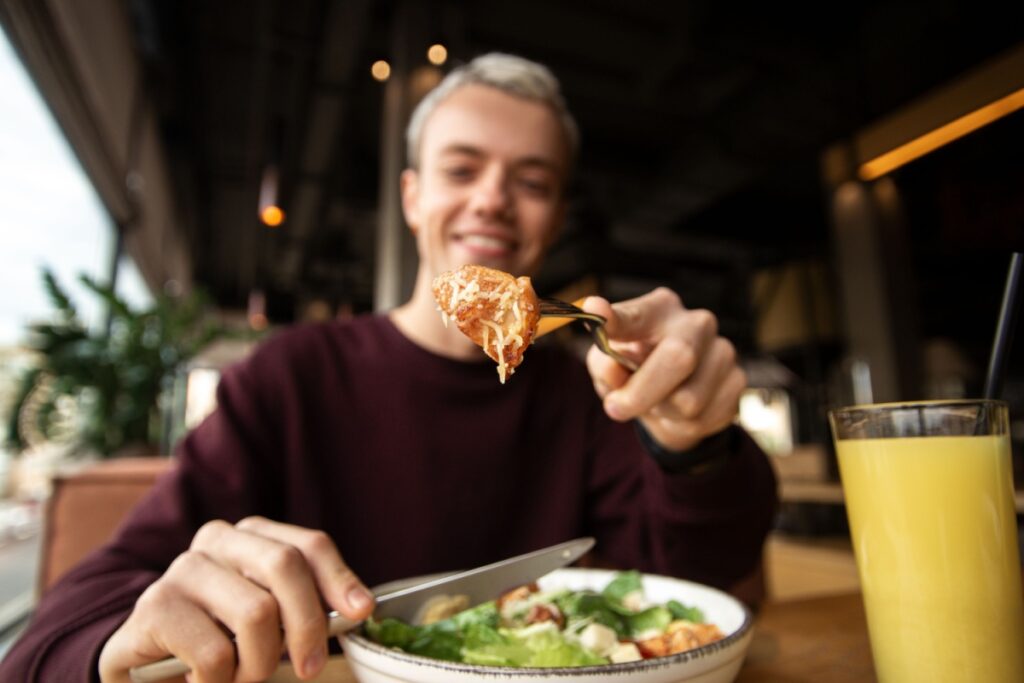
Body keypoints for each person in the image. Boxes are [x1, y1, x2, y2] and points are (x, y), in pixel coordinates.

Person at [1, 53, 777, 682]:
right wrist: (114, 646)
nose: (494, 201)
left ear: (556, 219)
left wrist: (694, 446)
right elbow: (48, 643)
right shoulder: (289, 378)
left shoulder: (582, 391)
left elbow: (701, 585)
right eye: (462, 169)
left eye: (532, 182)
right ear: (412, 197)